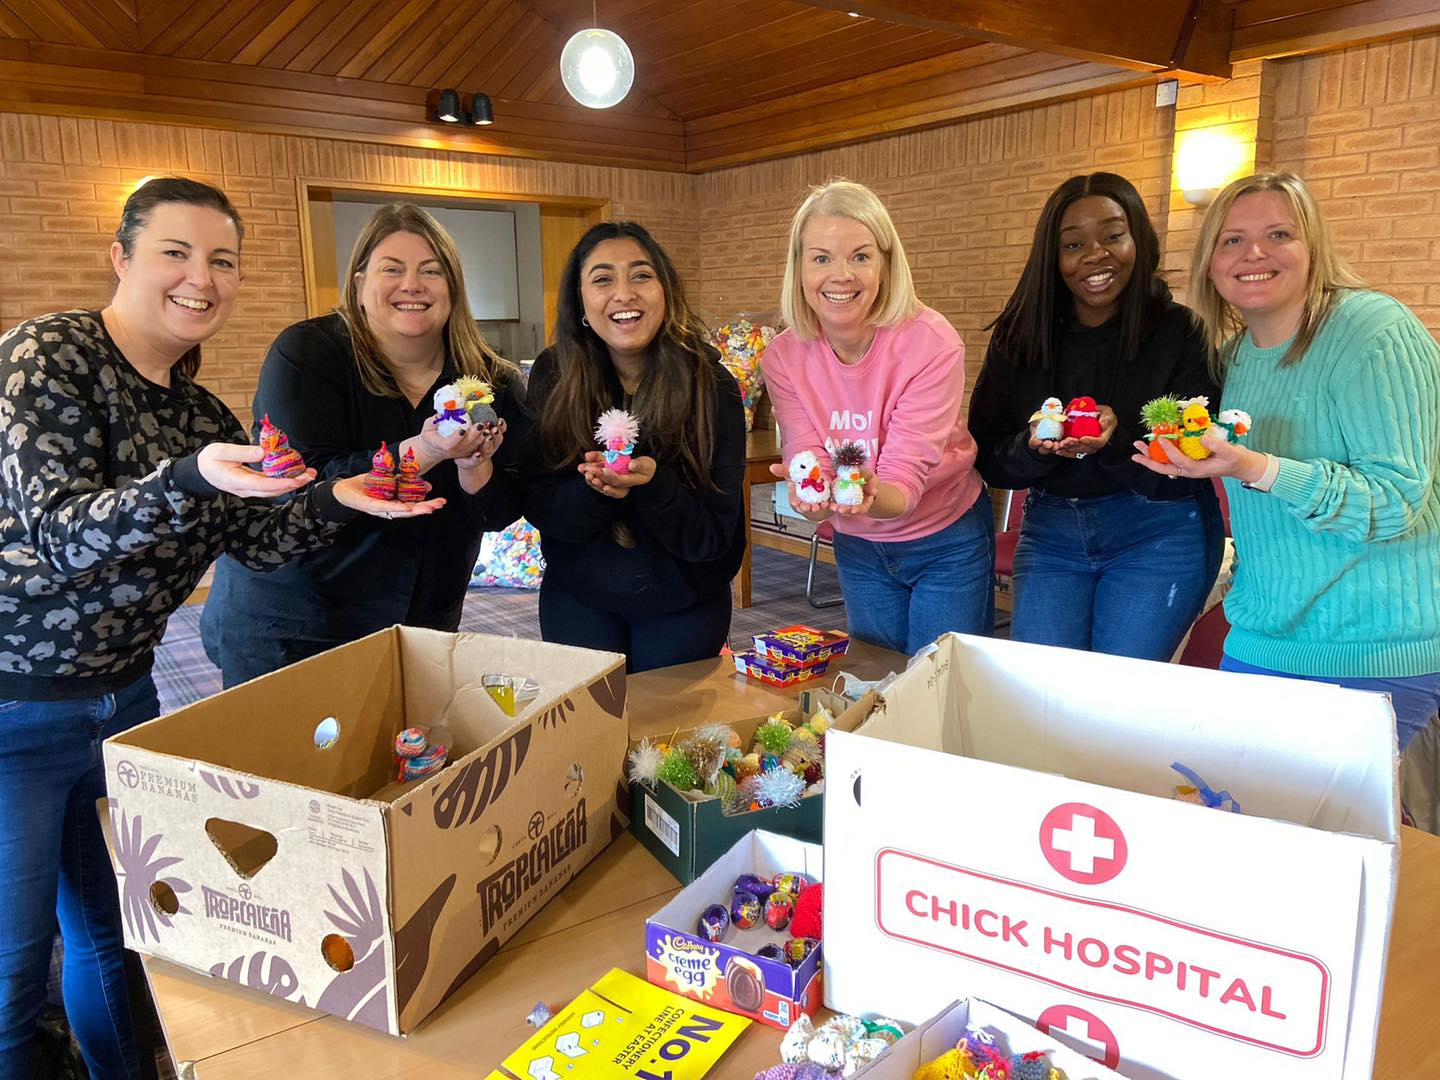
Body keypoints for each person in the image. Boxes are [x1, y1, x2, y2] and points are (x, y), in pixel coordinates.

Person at [0, 178, 439, 1079]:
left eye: (223, 260)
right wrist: (192, 479)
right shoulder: (49, 354)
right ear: (121, 258)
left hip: (126, 698)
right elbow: (62, 535)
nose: (201, 277)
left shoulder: (200, 411)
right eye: (175, 252)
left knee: (120, 939)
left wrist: (337, 498)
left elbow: (261, 541)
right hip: (17, 712)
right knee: (11, 975)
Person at [1131, 171, 1440, 822]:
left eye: (1278, 235)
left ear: (1314, 247)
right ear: (1211, 262)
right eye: (1232, 240)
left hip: (1373, 645)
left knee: (1314, 841)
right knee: (1223, 815)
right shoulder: (1235, 357)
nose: (1254, 255)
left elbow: (1392, 504)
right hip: (1264, 636)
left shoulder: (1373, 331)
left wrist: (1255, 466)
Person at [201, 203, 521, 687]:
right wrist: (426, 450)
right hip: (299, 615)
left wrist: (474, 468)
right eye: (392, 268)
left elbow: (498, 511)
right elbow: (302, 480)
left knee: (414, 757)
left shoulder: (491, 379)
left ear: (453, 288)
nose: (412, 284)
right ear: (358, 283)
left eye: (431, 271)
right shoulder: (308, 352)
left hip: (424, 615)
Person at [969, 172, 1224, 660]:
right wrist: (1033, 448)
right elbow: (989, 455)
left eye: (1112, 235)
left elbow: (1190, 461)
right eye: (1073, 244)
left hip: (1158, 530)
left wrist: (1115, 440)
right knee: (1043, 690)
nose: (1094, 254)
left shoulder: (1179, 332)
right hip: (1052, 531)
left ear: (1138, 241)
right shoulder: (1021, 336)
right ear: (1054, 256)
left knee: (1119, 699)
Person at [763, 179, 993, 656]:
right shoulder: (783, 357)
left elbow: (903, 483)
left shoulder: (931, 343)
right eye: (821, 257)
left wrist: (866, 491)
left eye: (861, 256)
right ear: (799, 268)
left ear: (886, 265)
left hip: (945, 539)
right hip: (859, 548)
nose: (840, 275)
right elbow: (810, 461)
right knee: (880, 685)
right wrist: (812, 492)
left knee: (939, 688)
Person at [517, 221, 745, 672]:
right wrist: (595, 492)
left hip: (684, 600)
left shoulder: (711, 385)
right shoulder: (555, 375)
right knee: (588, 732)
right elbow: (540, 503)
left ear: (665, 290)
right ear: (581, 301)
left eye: (641, 275)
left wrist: (655, 485)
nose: (624, 293)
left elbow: (714, 538)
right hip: (579, 595)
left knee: (667, 737)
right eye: (602, 279)